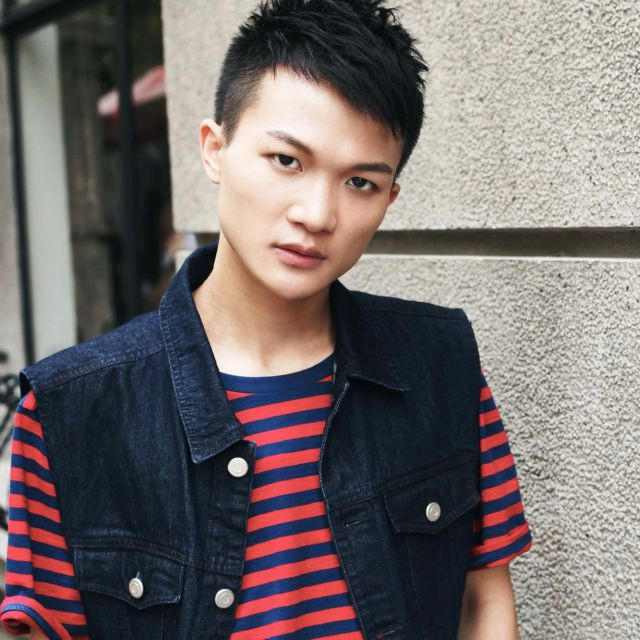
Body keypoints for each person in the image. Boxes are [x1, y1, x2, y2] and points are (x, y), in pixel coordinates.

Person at [1, 0, 532, 638]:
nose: (317, 214)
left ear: (390, 198)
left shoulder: (440, 361)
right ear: (215, 149)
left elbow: (483, 601)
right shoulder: (70, 411)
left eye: (360, 183)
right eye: (287, 160)